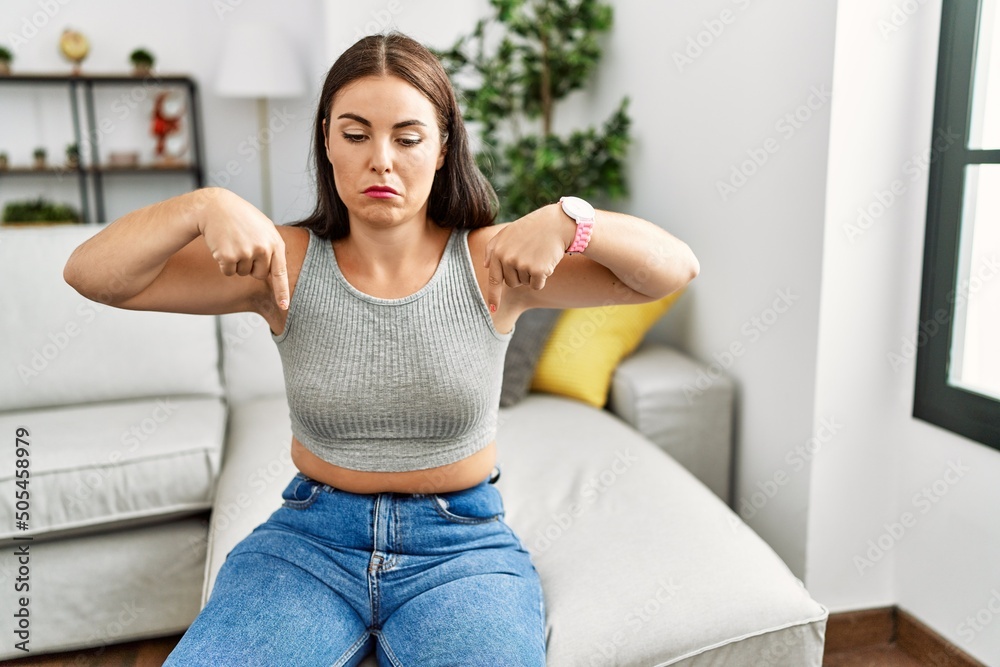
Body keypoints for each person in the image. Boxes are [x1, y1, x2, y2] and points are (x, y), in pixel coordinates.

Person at [63, 31, 699, 667]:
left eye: (408, 137)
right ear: (326, 141)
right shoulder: (280, 263)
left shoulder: (489, 264)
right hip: (308, 545)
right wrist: (203, 204)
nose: (382, 160)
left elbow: (673, 269)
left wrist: (572, 219)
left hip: (460, 550)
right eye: (356, 133)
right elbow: (93, 275)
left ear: (444, 144)